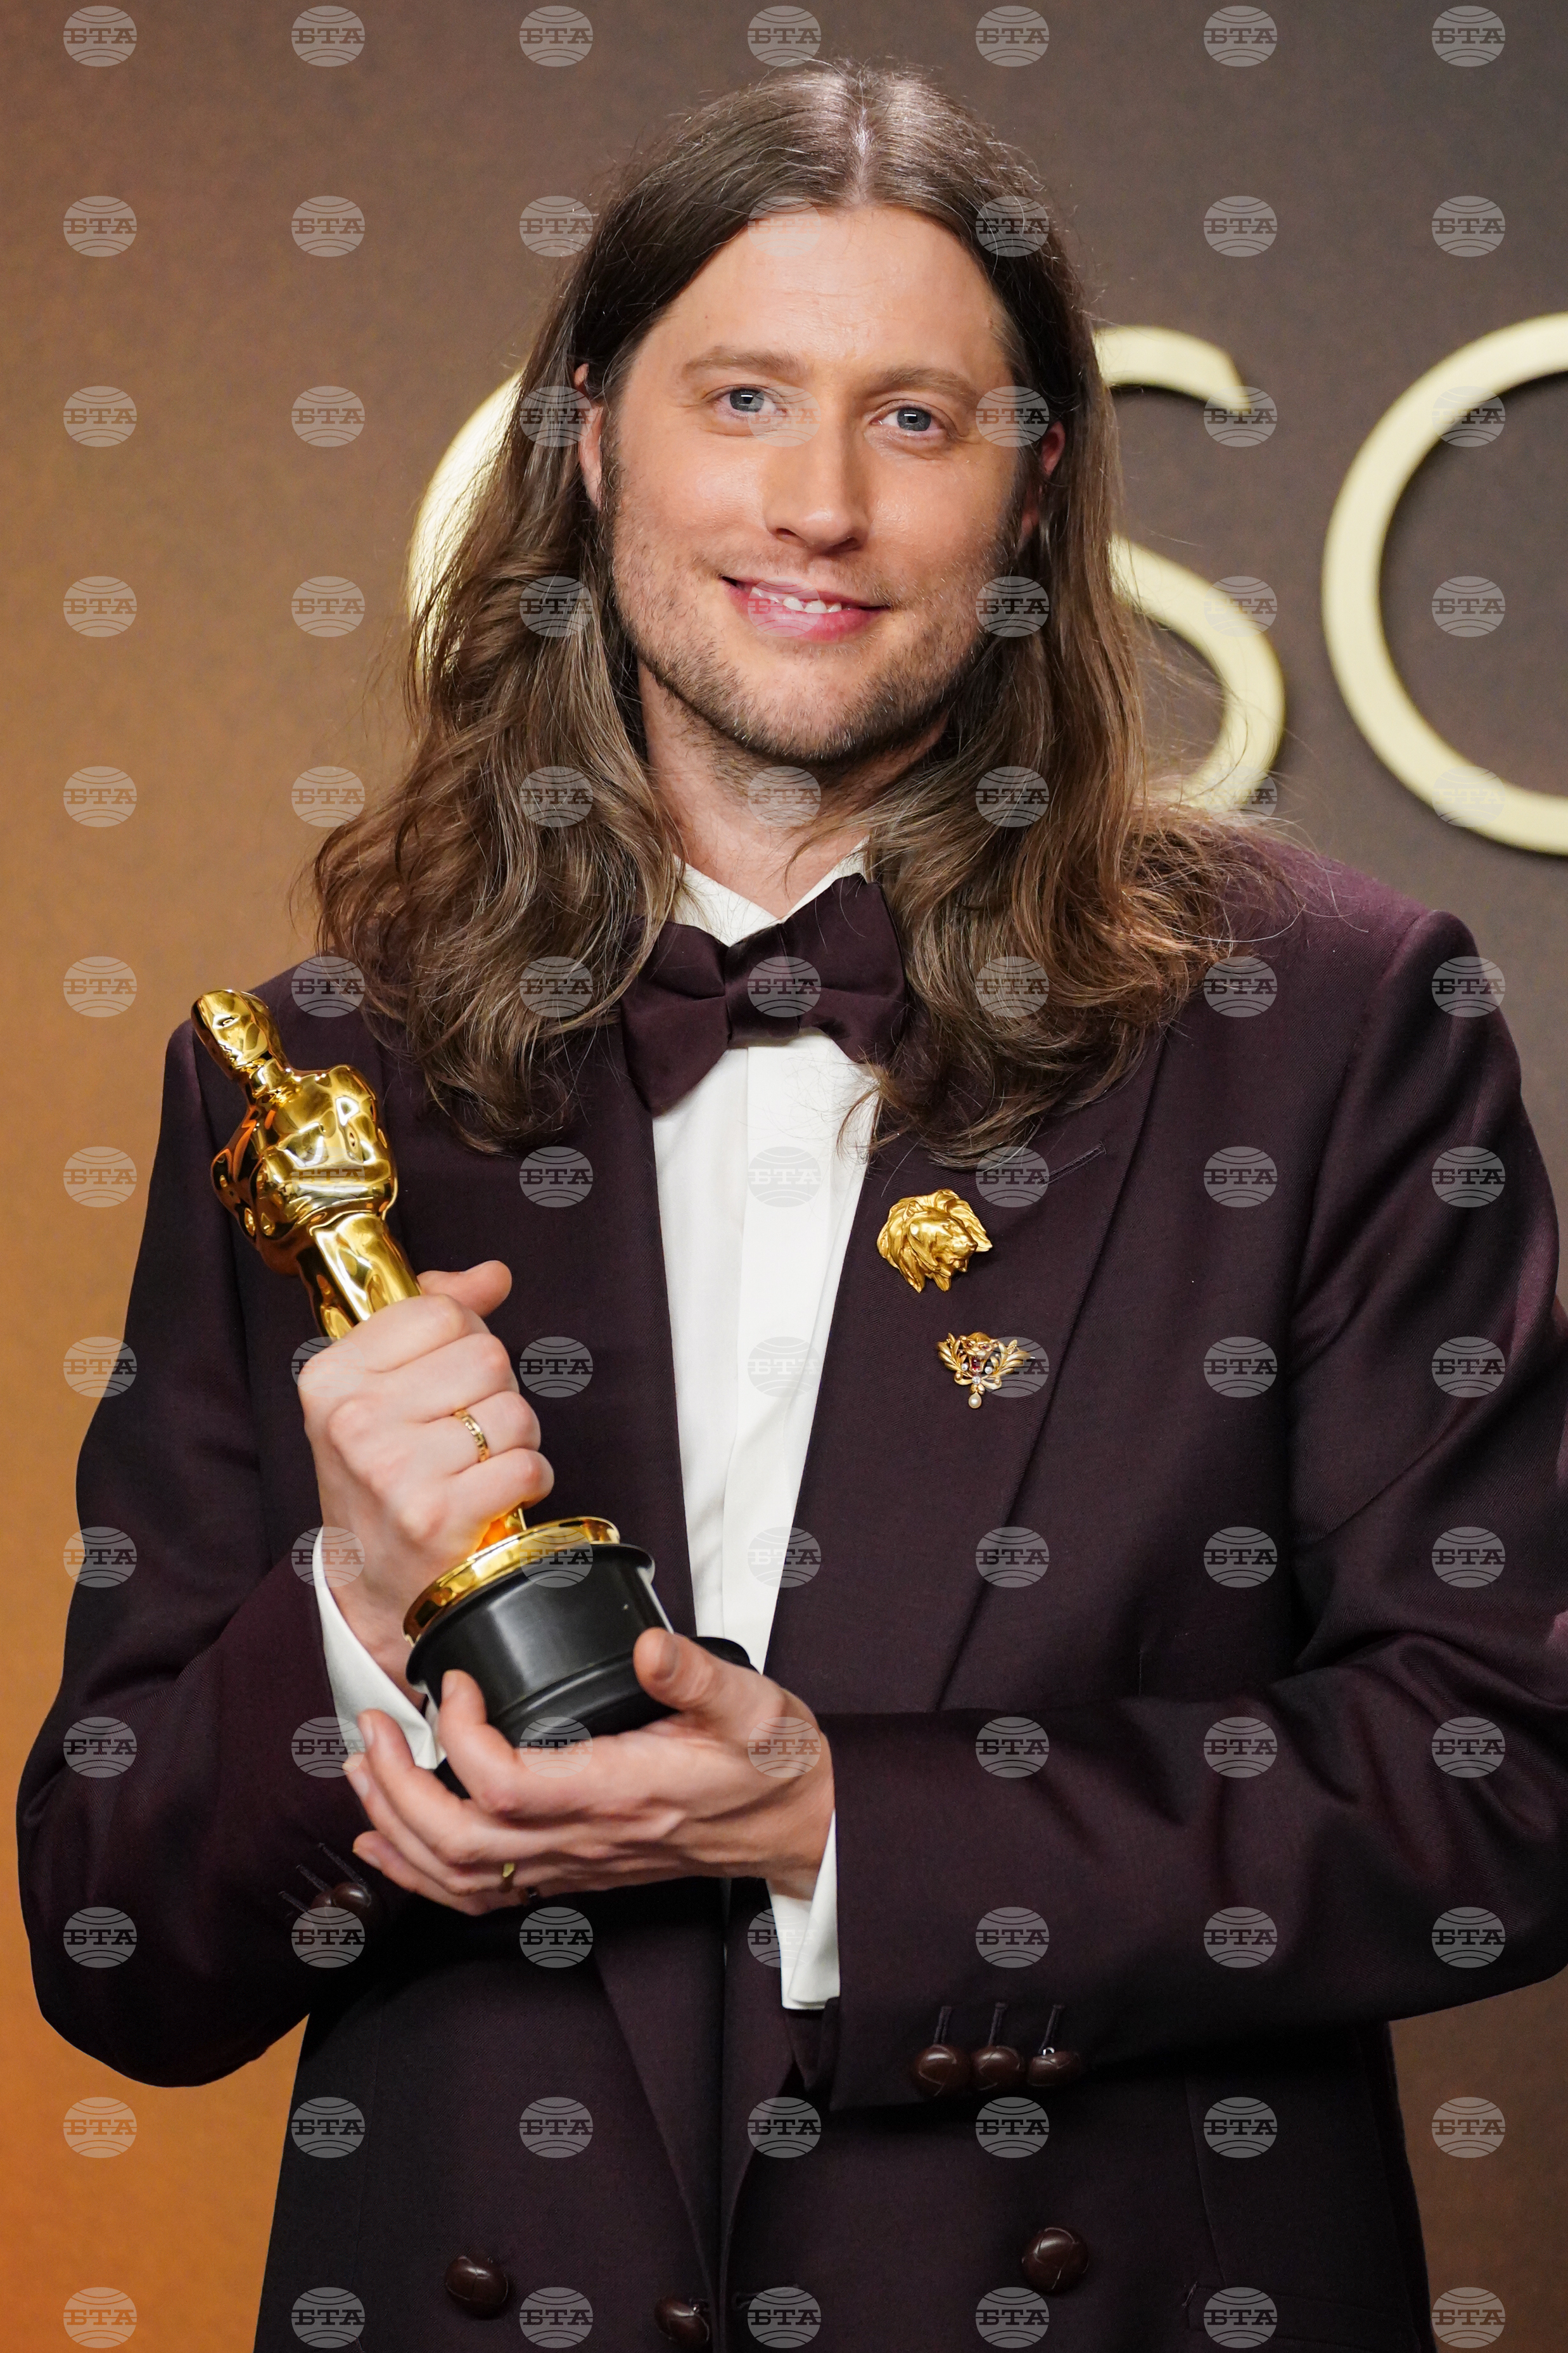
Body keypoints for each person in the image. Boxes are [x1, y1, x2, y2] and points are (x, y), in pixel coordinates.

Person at [18, 57, 1568, 2353]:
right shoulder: (311, 1079)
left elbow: (1500, 1774)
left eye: (913, 421)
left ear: (1038, 486)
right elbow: (115, 1948)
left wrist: (839, 1820)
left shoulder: (1328, 1023)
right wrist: (346, 1624)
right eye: (741, 397)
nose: (818, 505)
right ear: (588, 441)